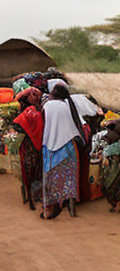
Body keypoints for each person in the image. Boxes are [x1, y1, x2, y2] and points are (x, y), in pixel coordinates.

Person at [40, 83, 87, 220]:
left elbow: (43, 124)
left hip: (50, 147)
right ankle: (72, 211)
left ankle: (49, 210)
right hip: (69, 147)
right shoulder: (67, 105)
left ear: (53, 93)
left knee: (49, 180)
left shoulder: (47, 105)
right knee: (70, 180)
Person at [12, 87, 45, 211]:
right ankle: (38, 196)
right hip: (39, 147)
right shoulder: (39, 112)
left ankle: (30, 199)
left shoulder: (25, 114)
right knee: (39, 172)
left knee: (27, 173)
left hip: (28, 148)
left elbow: (17, 125)